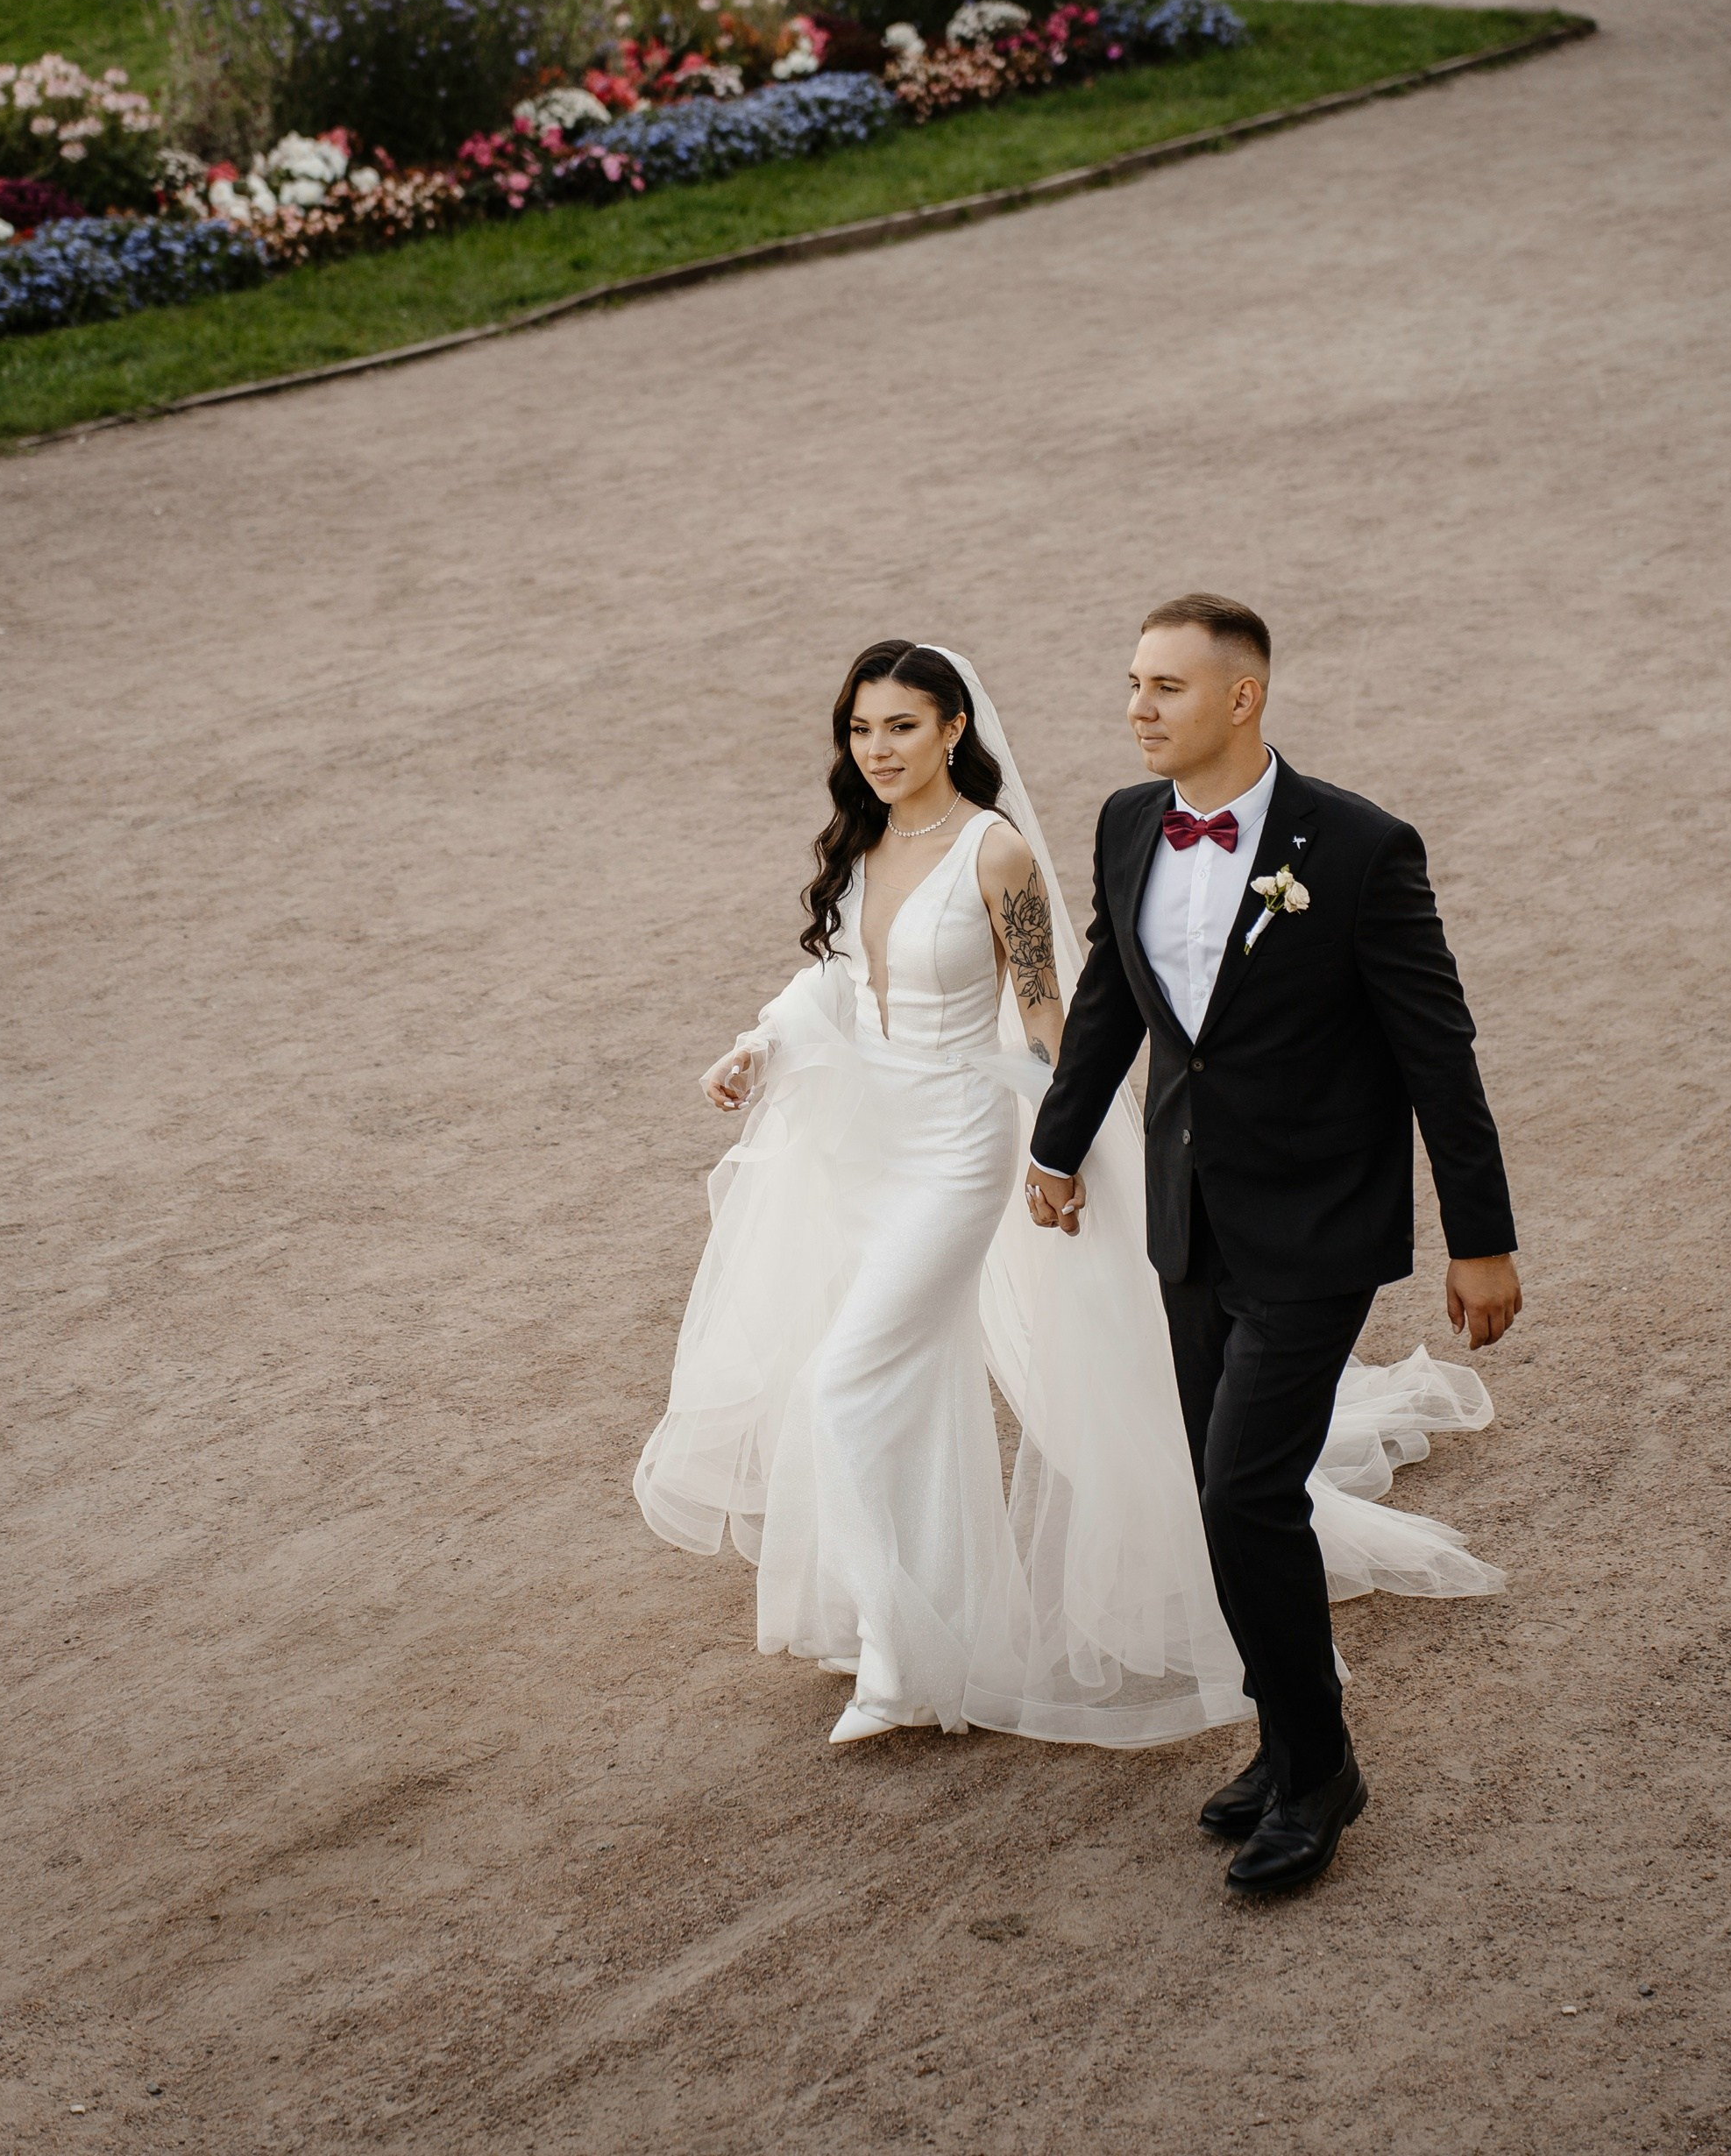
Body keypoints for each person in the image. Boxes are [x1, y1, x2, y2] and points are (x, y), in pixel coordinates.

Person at [637, 635, 1505, 1777]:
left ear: (956, 727)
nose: (879, 748)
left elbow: (1054, 1012)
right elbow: (838, 980)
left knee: (840, 1389)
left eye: (902, 725)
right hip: (865, 1150)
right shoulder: (863, 842)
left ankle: (911, 1661)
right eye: (861, 729)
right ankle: (904, 1620)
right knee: (888, 1393)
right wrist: (758, 1046)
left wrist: (1066, 1152)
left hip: (959, 1156)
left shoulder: (993, 855)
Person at [1027, 592, 1520, 1894]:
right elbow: (1107, 999)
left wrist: (1482, 1239)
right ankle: (1289, 1732)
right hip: (1189, 1222)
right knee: (1226, 1498)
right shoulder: (1130, 823)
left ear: (1241, 699)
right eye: (1132, 682)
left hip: (1318, 1228)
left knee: (1245, 1491)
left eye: (1164, 688)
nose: (1136, 707)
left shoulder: (1357, 848)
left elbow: (1438, 1050)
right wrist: (1056, 1143)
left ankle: (1318, 1775)